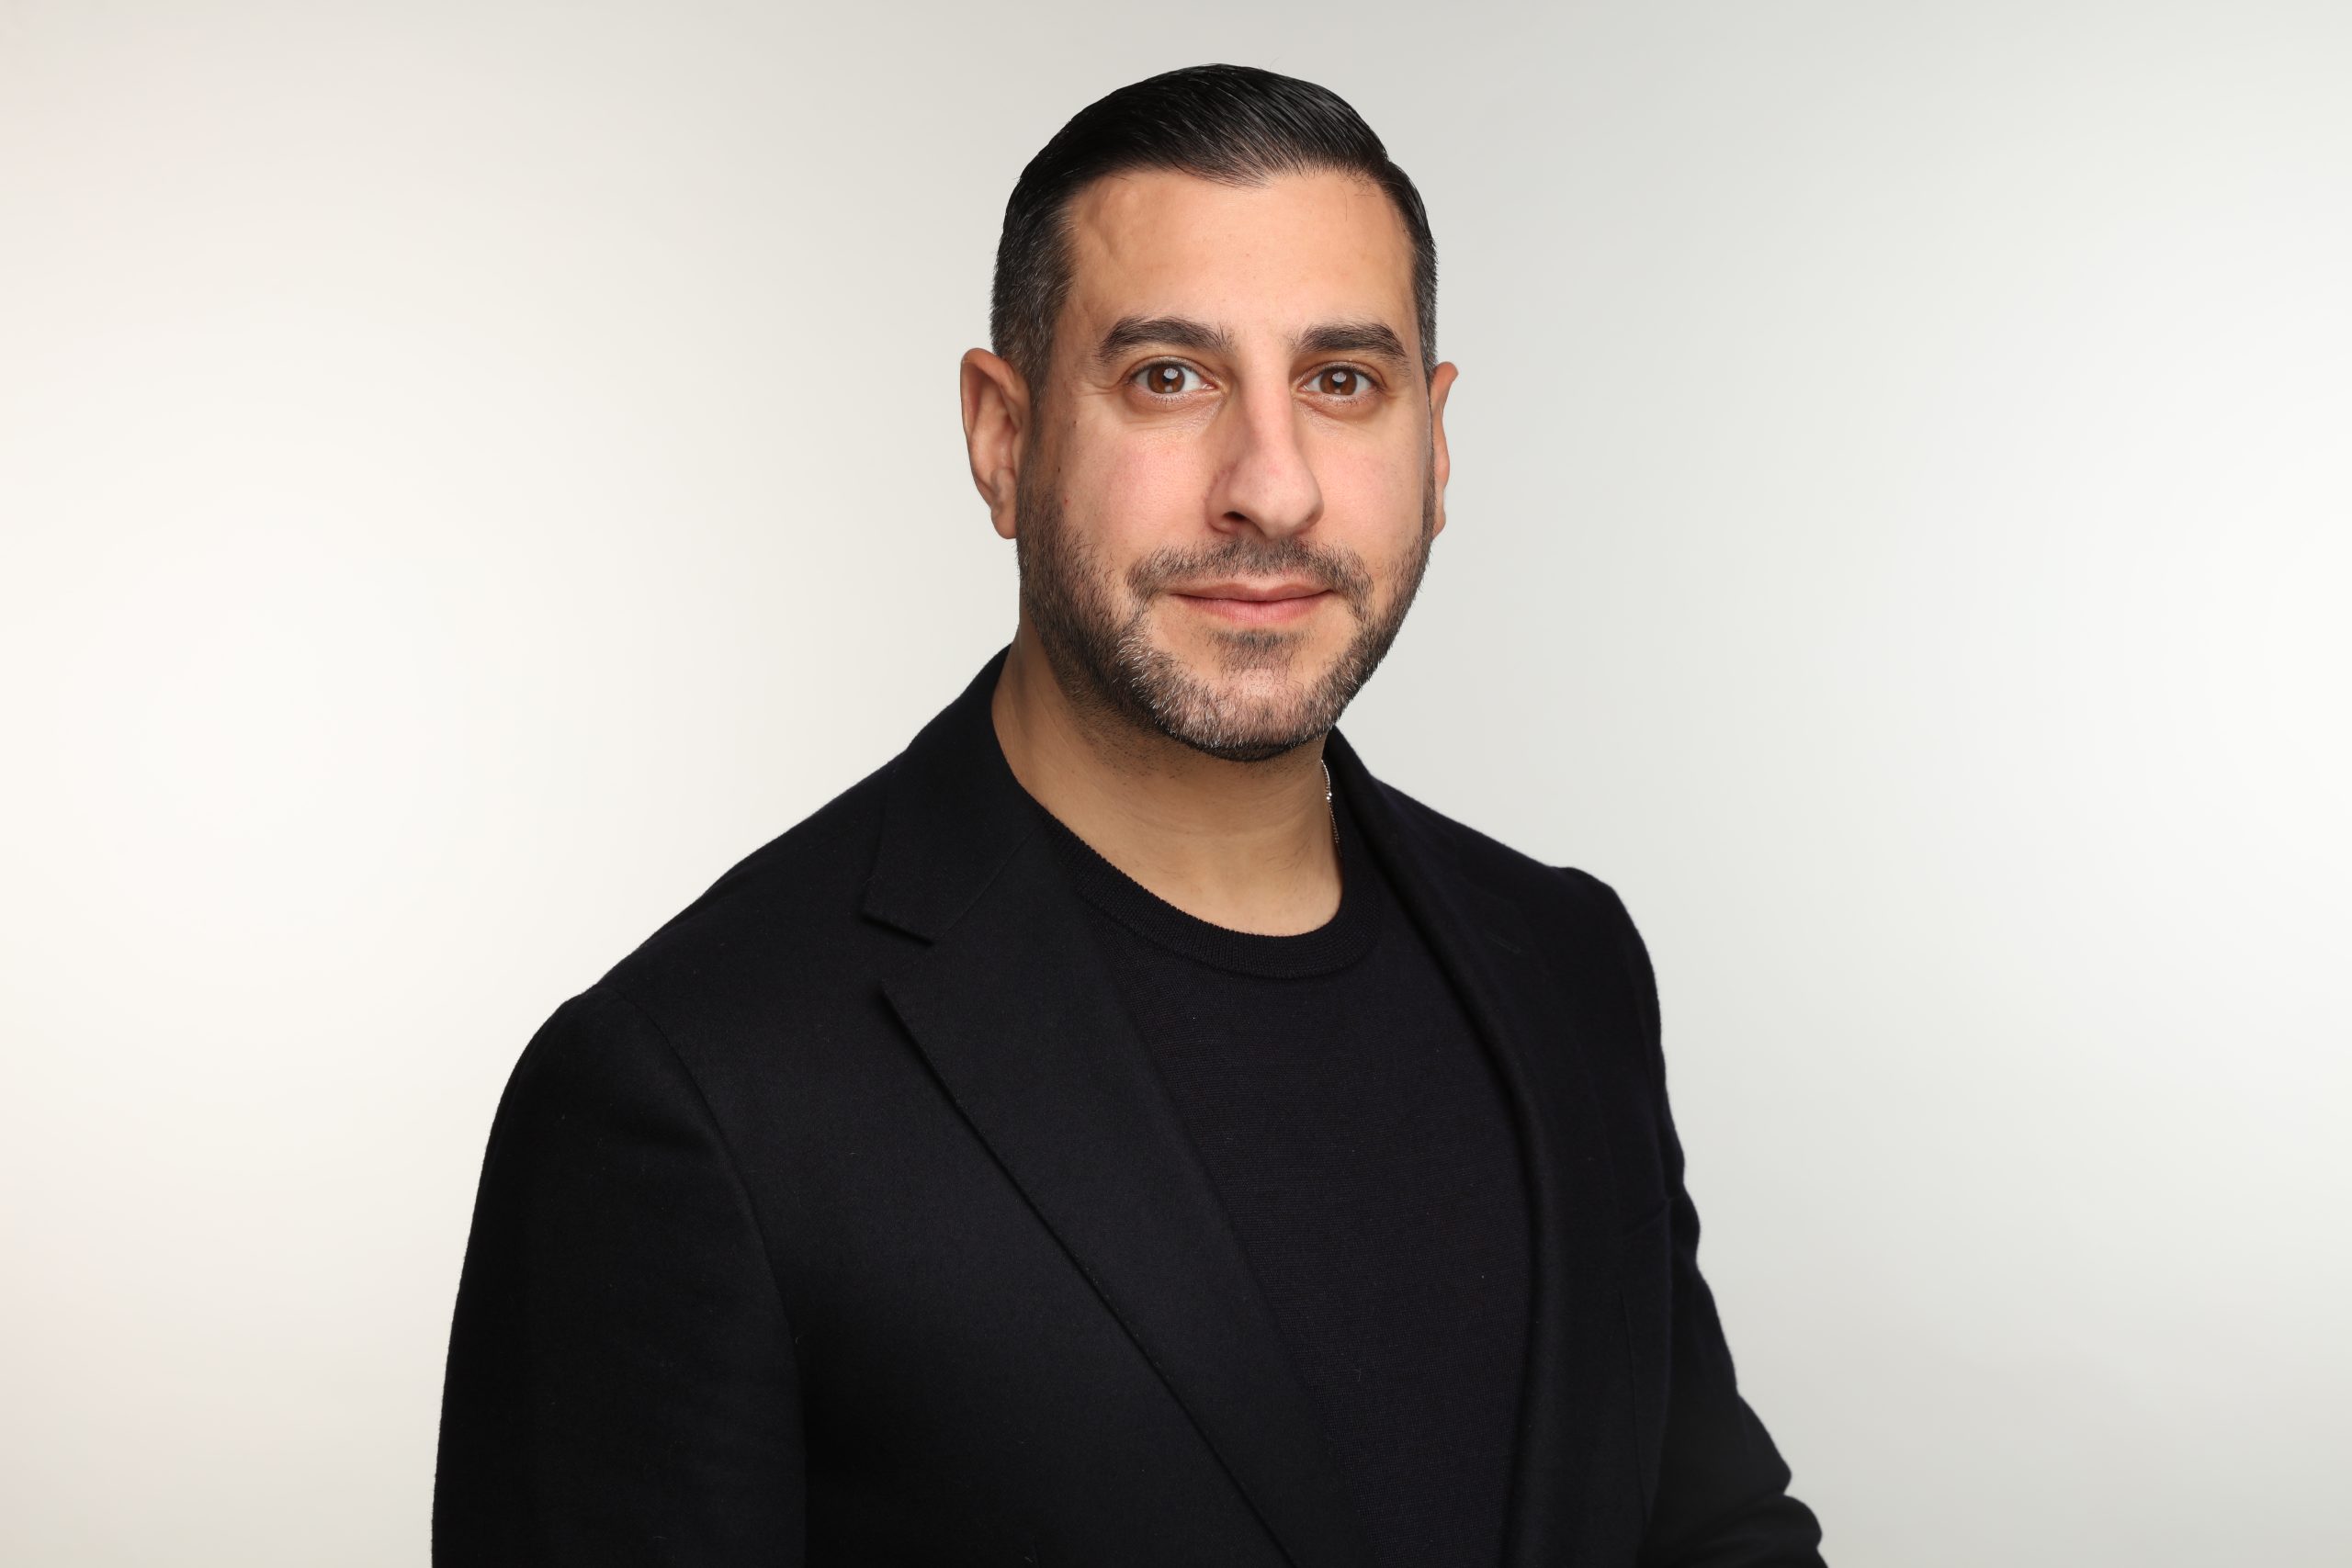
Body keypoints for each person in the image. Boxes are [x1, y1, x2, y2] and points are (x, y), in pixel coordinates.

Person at [432, 62, 1826, 1568]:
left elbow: (1715, 1538)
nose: (1272, 491)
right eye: (1170, 377)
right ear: (1001, 435)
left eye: (1340, 382)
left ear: (1433, 448)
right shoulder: (688, 1091)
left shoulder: (1567, 964)